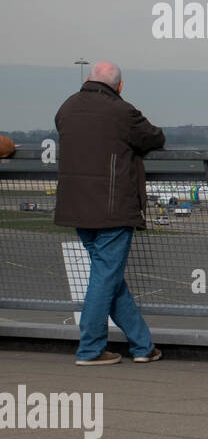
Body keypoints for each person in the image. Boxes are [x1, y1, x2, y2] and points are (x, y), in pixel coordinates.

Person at [54, 62, 165, 366]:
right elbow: (155, 138)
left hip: (75, 207)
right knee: (105, 277)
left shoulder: (66, 108)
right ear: (119, 86)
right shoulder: (122, 111)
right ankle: (90, 349)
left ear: (88, 79)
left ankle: (143, 346)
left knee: (109, 277)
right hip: (113, 209)